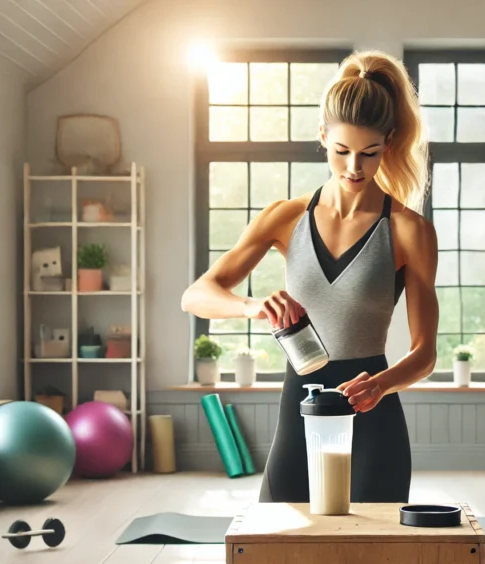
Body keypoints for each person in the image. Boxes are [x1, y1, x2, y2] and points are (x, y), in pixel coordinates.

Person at [180, 49, 439, 504]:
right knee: (275, 552)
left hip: (373, 413)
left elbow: (425, 354)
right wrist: (253, 306)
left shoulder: (409, 231)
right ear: (322, 136)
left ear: (390, 142)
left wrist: (379, 384)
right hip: (299, 405)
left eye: (369, 153)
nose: (354, 168)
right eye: (341, 152)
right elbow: (196, 295)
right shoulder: (284, 217)